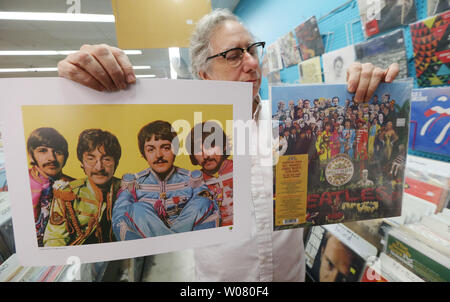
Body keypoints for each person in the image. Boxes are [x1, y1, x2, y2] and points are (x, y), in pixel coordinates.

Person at [57, 8, 399, 282]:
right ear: (204, 74)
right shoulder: (190, 140)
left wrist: (364, 96)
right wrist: (86, 87)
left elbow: (345, 178)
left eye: (253, 50)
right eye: (234, 55)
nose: (251, 63)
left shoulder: (295, 125)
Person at [112, 120, 218, 241]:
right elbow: (119, 218)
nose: (159, 155)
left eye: (166, 148)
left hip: (187, 243)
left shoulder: (191, 178)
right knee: (137, 208)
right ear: (143, 153)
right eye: (151, 149)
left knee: (203, 201)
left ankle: (170, 243)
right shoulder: (134, 182)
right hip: (149, 246)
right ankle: (174, 243)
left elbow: (211, 211)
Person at [43, 129, 121, 246]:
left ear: (116, 163)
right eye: (91, 159)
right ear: (82, 164)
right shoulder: (67, 193)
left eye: (106, 159)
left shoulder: (129, 190)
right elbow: (54, 240)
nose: (99, 167)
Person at [26, 127, 74, 247]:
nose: (51, 158)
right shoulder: (19, 182)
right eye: (42, 150)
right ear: (31, 156)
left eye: (58, 152)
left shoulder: (75, 186)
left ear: (66, 157)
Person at [187, 121, 233, 226]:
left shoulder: (239, 170)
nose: (205, 155)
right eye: (198, 150)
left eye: (210, 146)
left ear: (224, 146)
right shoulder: (194, 182)